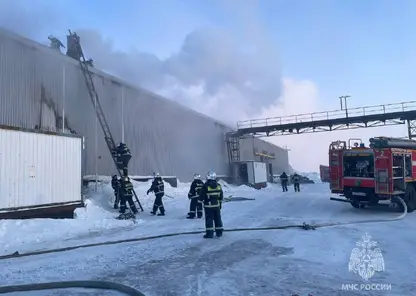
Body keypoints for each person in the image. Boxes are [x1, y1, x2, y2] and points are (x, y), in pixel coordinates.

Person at [199, 171, 223, 238]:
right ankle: (219, 232)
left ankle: (209, 234)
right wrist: (220, 204)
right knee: (218, 219)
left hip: (208, 206)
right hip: (217, 206)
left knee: (209, 220)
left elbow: (201, 196)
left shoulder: (205, 186)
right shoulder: (218, 186)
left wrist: (199, 202)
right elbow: (221, 196)